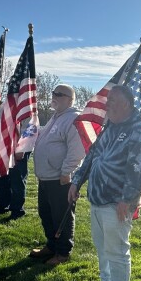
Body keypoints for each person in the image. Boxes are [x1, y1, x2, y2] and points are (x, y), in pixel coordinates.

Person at [68, 85, 141, 281]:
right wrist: (77, 181)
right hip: (98, 198)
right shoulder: (109, 128)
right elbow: (92, 156)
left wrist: (127, 199)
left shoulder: (138, 130)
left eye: (112, 101)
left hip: (117, 202)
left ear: (126, 103)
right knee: (102, 246)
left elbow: (139, 166)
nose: (107, 105)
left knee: (116, 248)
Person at [29, 84, 85, 265]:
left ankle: (62, 252)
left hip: (60, 179)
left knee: (62, 217)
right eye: (54, 93)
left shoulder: (73, 118)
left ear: (70, 100)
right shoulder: (56, 117)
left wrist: (67, 172)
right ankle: (51, 246)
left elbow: (77, 150)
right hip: (46, 177)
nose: (54, 96)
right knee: (46, 214)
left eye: (59, 94)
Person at [0, 118, 32, 219]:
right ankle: (2, 205)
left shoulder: (27, 106)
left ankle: (17, 210)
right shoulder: (4, 106)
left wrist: (21, 148)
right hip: (2, 146)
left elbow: (30, 129)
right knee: (0, 177)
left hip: (18, 149)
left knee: (17, 179)